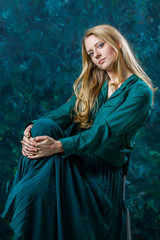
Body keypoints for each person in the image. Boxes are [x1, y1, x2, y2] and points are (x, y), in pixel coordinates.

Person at [2, 24, 154, 240]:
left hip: (100, 175)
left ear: (117, 44)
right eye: (91, 52)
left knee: (30, 194)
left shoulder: (140, 92)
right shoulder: (95, 84)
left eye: (100, 45)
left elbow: (104, 133)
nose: (96, 55)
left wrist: (58, 146)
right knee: (42, 127)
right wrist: (31, 128)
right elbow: (65, 112)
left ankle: (19, 208)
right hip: (75, 160)